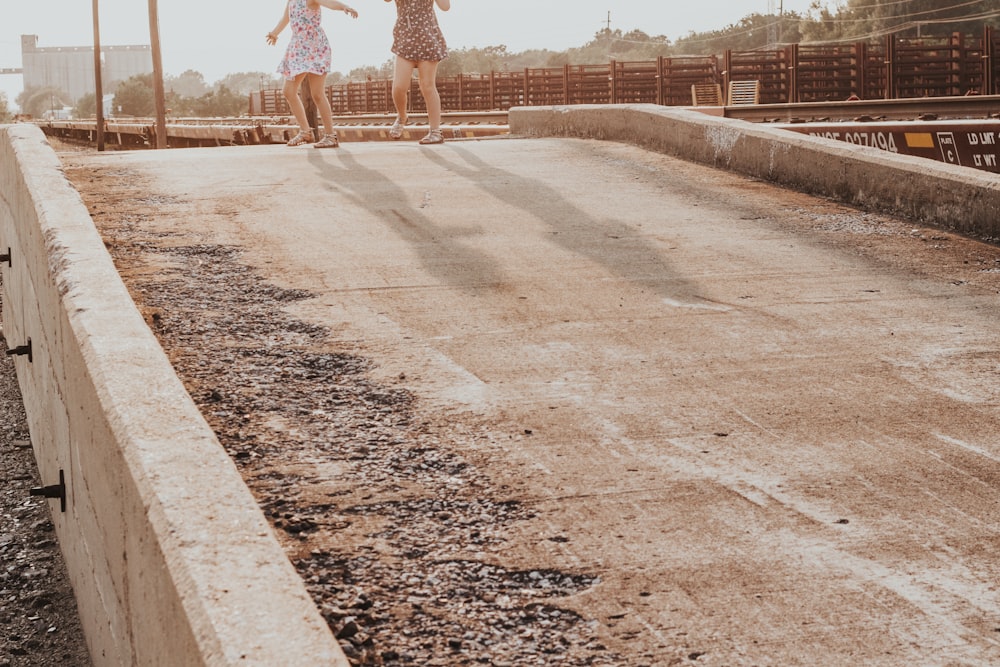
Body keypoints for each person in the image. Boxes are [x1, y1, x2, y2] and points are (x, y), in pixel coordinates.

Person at [267, 0, 358, 148]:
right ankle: (305, 132)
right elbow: (285, 18)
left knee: (317, 93)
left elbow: (330, 3)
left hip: (315, 46)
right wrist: (274, 33)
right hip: (297, 47)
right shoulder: (291, 1)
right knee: (288, 91)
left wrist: (344, 7)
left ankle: (330, 136)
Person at [384, 0, 451, 145]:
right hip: (405, 39)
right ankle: (402, 117)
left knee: (427, 86)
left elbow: (446, 7)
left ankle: (435, 132)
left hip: (427, 37)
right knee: (398, 87)